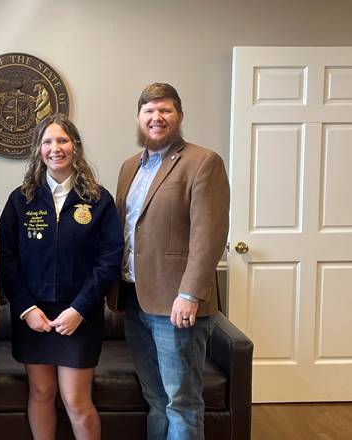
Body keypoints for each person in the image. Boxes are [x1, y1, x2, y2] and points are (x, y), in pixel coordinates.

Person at [109, 83, 230, 439]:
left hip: (177, 305)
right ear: (138, 118)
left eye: (165, 110)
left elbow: (209, 234)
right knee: (155, 397)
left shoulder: (202, 161)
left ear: (179, 116)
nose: (156, 117)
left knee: (182, 402)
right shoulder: (129, 167)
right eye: (149, 111)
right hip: (134, 299)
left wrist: (190, 294)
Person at [0, 113, 123, 440]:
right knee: (41, 393)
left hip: (79, 314)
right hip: (33, 315)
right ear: (38, 150)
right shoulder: (20, 200)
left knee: (75, 400)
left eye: (63, 140)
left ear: (75, 146)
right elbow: (5, 256)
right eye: (48, 142)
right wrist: (26, 308)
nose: (56, 148)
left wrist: (80, 309)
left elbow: (109, 258)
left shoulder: (98, 199)